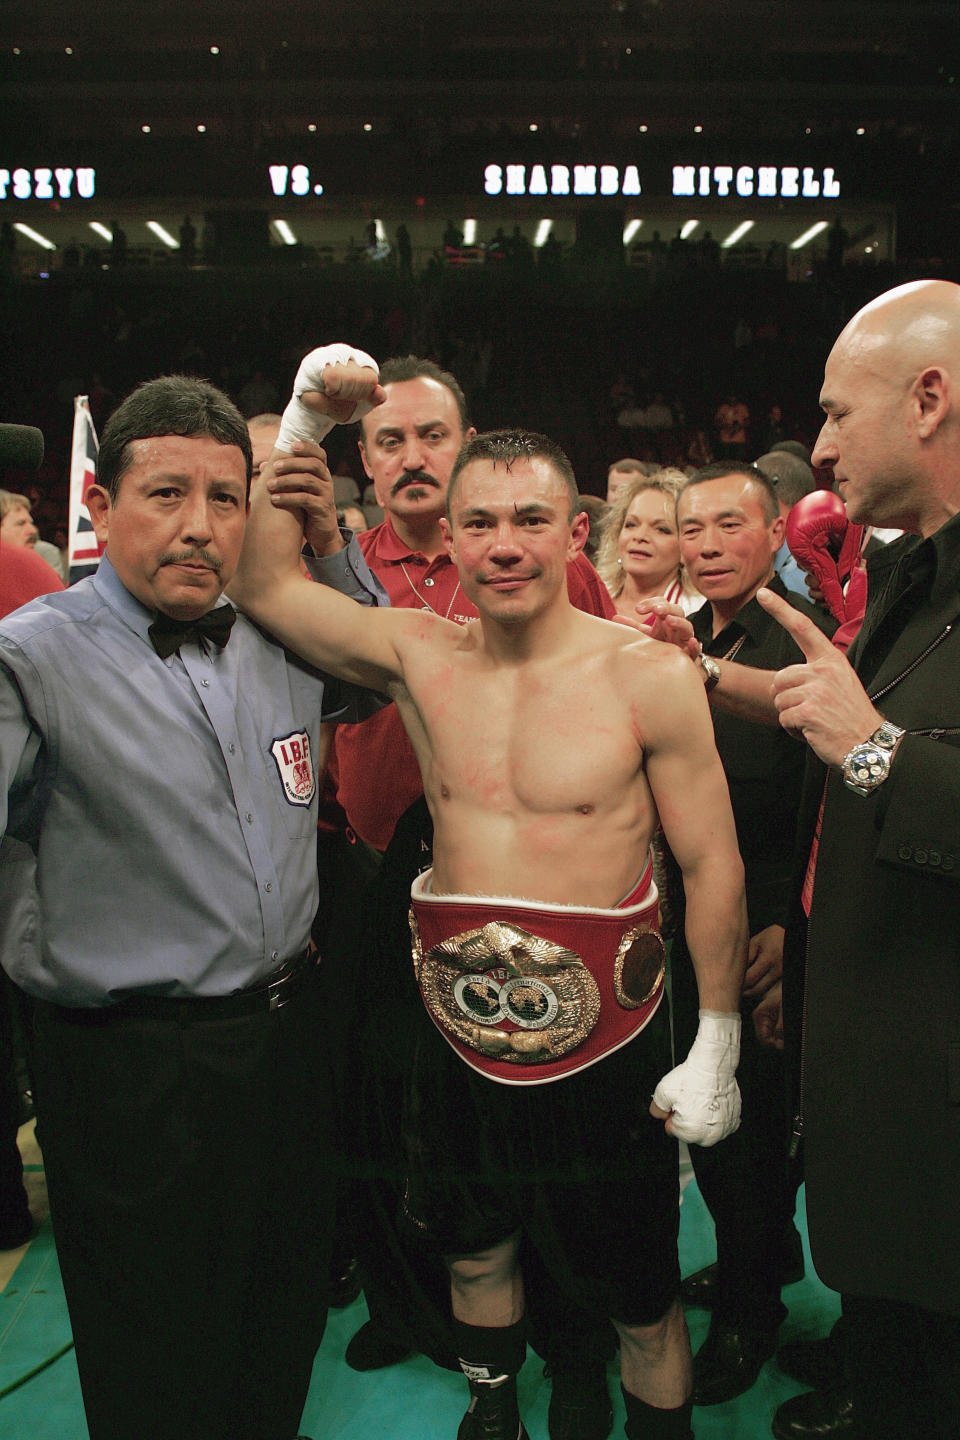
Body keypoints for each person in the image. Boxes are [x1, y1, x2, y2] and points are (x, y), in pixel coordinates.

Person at [233, 397, 749, 1440]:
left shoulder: (647, 672)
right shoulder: (418, 651)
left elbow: (711, 862)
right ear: (451, 534)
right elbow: (261, 585)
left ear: (573, 532)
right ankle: (493, 1413)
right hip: (457, 1027)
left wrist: (720, 1044)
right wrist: (300, 428)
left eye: (529, 521)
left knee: (638, 1283)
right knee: (473, 1247)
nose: (503, 546)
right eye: (481, 524)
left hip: (606, 1035)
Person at [0, 368, 386, 1440]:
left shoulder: (277, 623)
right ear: (99, 505)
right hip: (127, 1066)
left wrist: (327, 550)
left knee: (280, 1318)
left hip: (283, 1042)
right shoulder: (28, 658)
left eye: (226, 497)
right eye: (166, 493)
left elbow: (388, 670)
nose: (200, 526)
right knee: (155, 1354)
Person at [647, 281, 960, 1440]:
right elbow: (825, 709)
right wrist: (701, 673)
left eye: (836, 413)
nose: (818, 446)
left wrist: (877, 755)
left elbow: (866, 745)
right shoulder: (915, 567)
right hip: (883, 1083)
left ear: (929, 400)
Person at [331, 353, 618, 1399]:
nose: (413, 457)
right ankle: (414, 1312)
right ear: (363, 460)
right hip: (377, 866)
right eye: (390, 440)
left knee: (524, 1102)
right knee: (393, 1100)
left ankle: (555, 1319)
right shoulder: (345, 574)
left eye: (431, 437)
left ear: (467, 447)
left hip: (525, 887)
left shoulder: (534, 558)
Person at [667, 463, 835, 1406]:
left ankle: (749, 1310)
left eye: (730, 525)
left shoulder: (801, 644)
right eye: (693, 529)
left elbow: (820, 804)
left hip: (771, 925)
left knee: (756, 1132)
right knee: (721, 1136)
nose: (707, 544)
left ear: (775, 534)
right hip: (695, 923)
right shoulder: (686, 635)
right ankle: (755, 1270)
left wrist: (784, 926)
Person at [596, 471, 702, 619]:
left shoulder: (698, 614)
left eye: (661, 529)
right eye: (631, 524)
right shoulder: (588, 596)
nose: (640, 537)